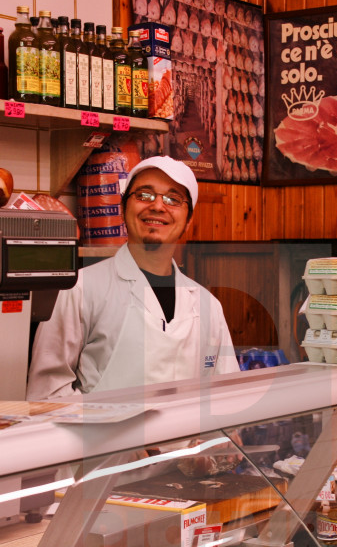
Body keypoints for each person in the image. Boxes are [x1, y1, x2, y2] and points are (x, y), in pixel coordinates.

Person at [28, 156, 239, 399]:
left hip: (186, 438)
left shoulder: (208, 306)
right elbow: (46, 395)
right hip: (102, 436)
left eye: (173, 199)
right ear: (122, 209)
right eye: (144, 195)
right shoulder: (79, 289)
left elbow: (224, 397)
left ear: (189, 220)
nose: (158, 206)